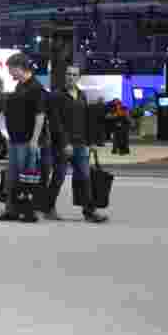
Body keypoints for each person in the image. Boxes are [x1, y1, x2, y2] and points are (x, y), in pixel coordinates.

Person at [47, 66, 107, 223]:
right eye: (68, 74)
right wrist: (64, 143)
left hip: (81, 144)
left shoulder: (82, 95)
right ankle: (49, 208)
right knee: (58, 177)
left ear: (78, 77)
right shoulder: (56, 96)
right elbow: (55, 122)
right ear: (64, 76)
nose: (71, 77)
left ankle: (89, 212)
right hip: (63, 145)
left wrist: (91, 142)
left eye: (74, 75)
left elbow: (86, 120)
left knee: (85, 177)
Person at [0, 53, 48, 222]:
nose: (10, 73)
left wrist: (34, 140)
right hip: (15, 139)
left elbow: (40, 115)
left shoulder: (36, 88)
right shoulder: (20, 86)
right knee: (13, 176)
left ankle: (28, 211)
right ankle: (12, 210)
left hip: (27, 141)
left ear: (20, 68)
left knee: (27, 177)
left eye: (11, 70)